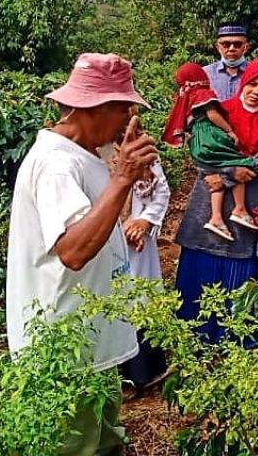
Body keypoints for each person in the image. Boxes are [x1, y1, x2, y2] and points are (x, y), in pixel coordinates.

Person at [6, 52, 158, 455]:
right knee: (77, 445)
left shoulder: (85, 154)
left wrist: (123, 176)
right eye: (122, 108)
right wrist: (123, 177)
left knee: (104, 442)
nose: (127, 118)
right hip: (66, 349)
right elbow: (73, 250)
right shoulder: (57, 165)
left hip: (90, 343)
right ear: (95, 108)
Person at [174, 59, 258, 342]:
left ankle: (233, 343)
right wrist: (228, 170)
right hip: (207, 204)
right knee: (201, 263)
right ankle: (194, 338)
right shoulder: (220, 110)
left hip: (246, 204)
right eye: (251, 84)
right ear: (243, 83)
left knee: (239, 268)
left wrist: (224, 175)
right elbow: (200, 149)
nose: (256, 92)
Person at [161, 63, 256, 241]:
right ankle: (240, 208)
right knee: (238, 162)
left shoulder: (187, 97)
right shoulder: (202, 93)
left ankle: (216, 218)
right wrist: (229, 131)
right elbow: (212, 115)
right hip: (210, 138)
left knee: (216, 181)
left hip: (197, 143)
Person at [117, 159, 172, 394]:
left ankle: (145, 372)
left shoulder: (143, 152)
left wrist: (144, 221)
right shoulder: (85, 153)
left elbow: (161, 190)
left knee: (140, 297)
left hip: (139, 241)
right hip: (103, 240)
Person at [205, 23, 251, 101]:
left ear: (246, 47)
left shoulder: (257, 73)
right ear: (218, 47)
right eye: (226, 44)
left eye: (237, 44)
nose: (231, 48)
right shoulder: (205, 74)